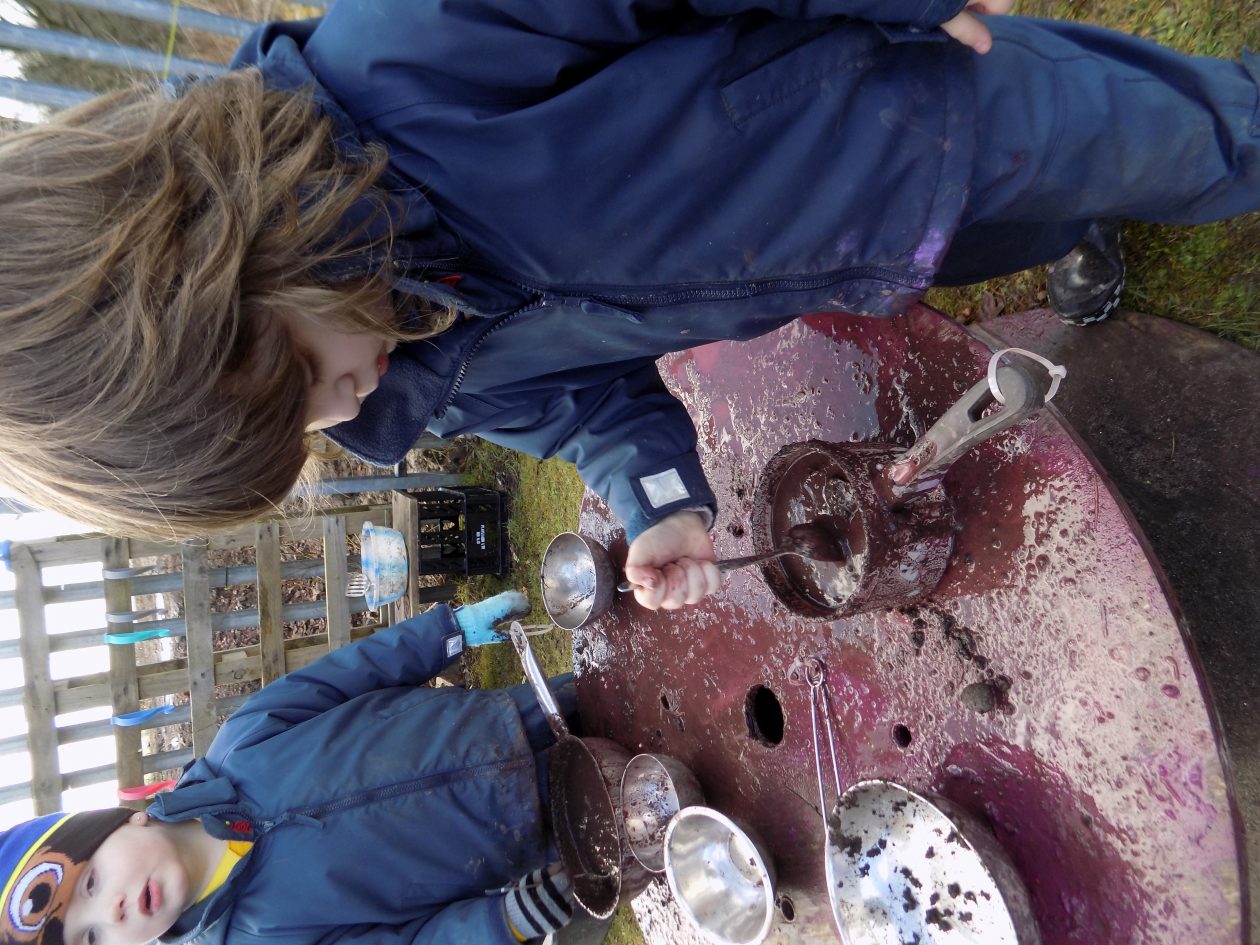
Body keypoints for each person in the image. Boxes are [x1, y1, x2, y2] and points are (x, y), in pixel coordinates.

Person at [1, 0, 1258, 611]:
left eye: (298, 383)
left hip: (898, 110)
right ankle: (1083, 226)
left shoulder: (411, 54)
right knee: (1023, 228)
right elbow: (580, 408)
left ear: (228, 251)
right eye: (304, 437)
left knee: (1202, 145)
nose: (341, 411)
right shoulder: (413, 371)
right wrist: (661, 502)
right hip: (854, 246)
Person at [0, 591, 603, 945]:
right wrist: (501, 924)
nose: (112, 913)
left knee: (633, 694)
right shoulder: (258, 938)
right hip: (532, 833)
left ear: (120, 821)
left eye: (92, 884)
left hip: (507, 719)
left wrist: (448, 633)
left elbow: (348, 674)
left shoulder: (240, 744)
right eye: (91, 939)